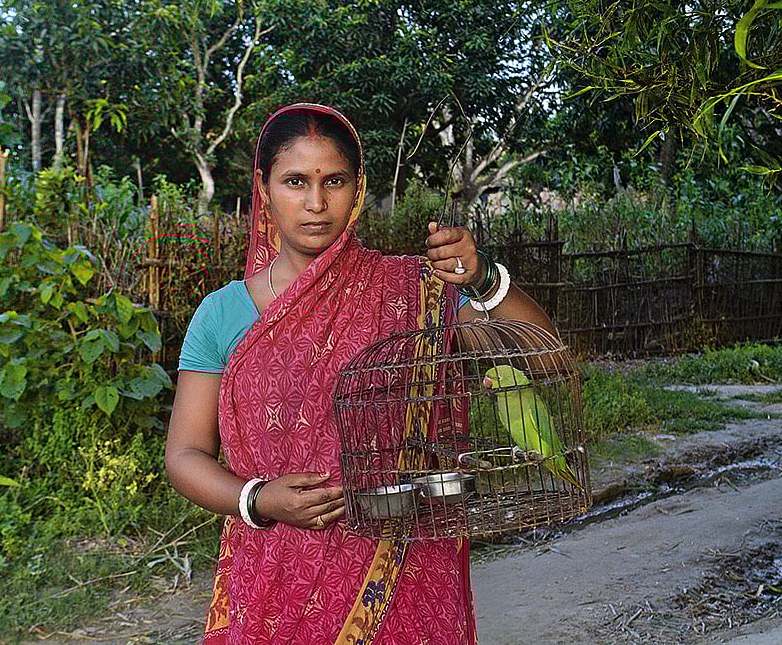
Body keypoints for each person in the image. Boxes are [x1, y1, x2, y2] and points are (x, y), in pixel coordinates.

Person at [165, 103, 556, 644]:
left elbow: (548, 358)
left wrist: (485, 277)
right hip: (274, 582)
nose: (316, 203)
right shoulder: (223, 314)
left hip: (405, 576)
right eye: (295, 182)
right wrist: (257, 499)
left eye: (335, 181)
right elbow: (184, 455)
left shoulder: (415, 292)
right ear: (264, 188)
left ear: (358, 188)